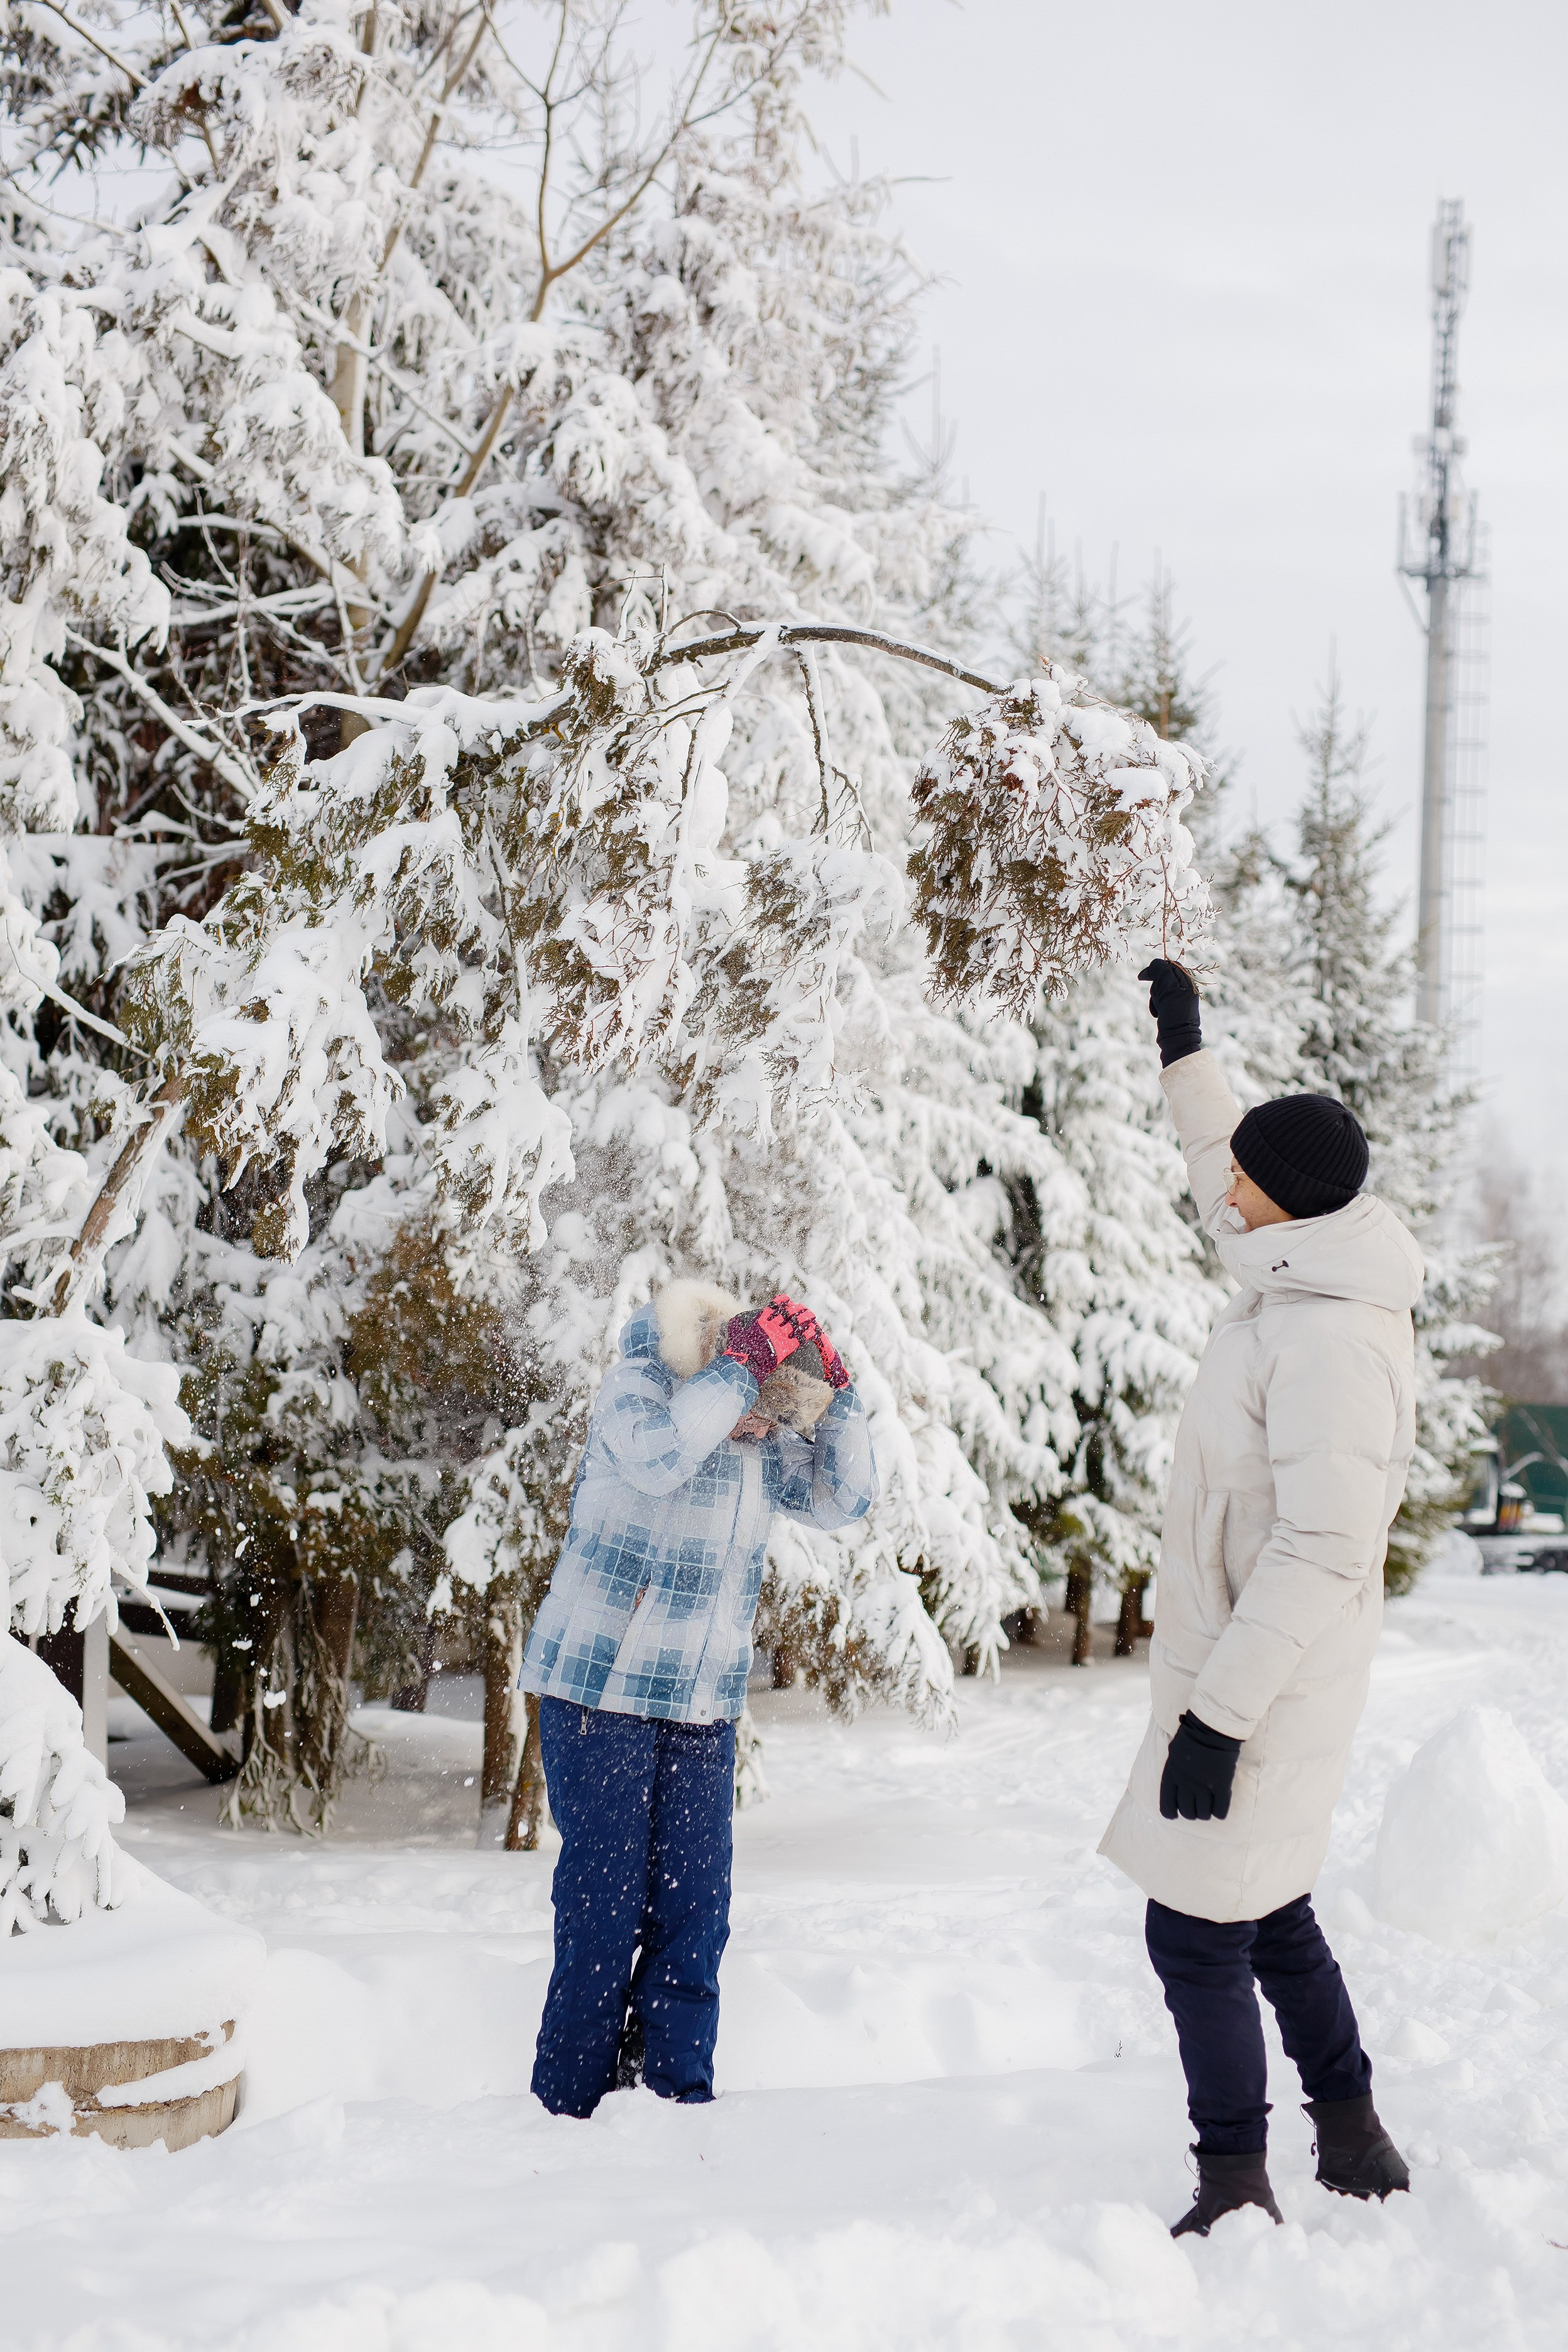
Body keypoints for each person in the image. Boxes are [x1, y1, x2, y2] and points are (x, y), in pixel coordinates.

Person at [1099, 959, 1420, 2237]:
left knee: (1196, 1932)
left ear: (1284, 1206)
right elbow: (1215, 1161)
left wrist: (1220, 1717)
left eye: (1247, 1179)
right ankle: (1355, 2133)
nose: (1224, 1189)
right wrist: (1184, 1044)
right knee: (1268, 1908)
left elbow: (1326, 1548)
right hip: (1244, 1671)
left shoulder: (1329, 1337)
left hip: (1267, 1685)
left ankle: (1235, 2183)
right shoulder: (1299, 1262)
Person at [520, 1280, 876, 2119]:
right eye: (756, 1398)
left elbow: (843, 1498)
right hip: (598, 1694)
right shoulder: (641, 1392)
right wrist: (740, 1374)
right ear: (720, 1367)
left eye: (774, 1408)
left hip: (700, 1710)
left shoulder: (754, 1437)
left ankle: (675, 2103)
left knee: (694, 1917)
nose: (763, 1425)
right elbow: (655, 1459)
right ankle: (568, 2112)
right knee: (602, 1920)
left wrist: (840, 1400)